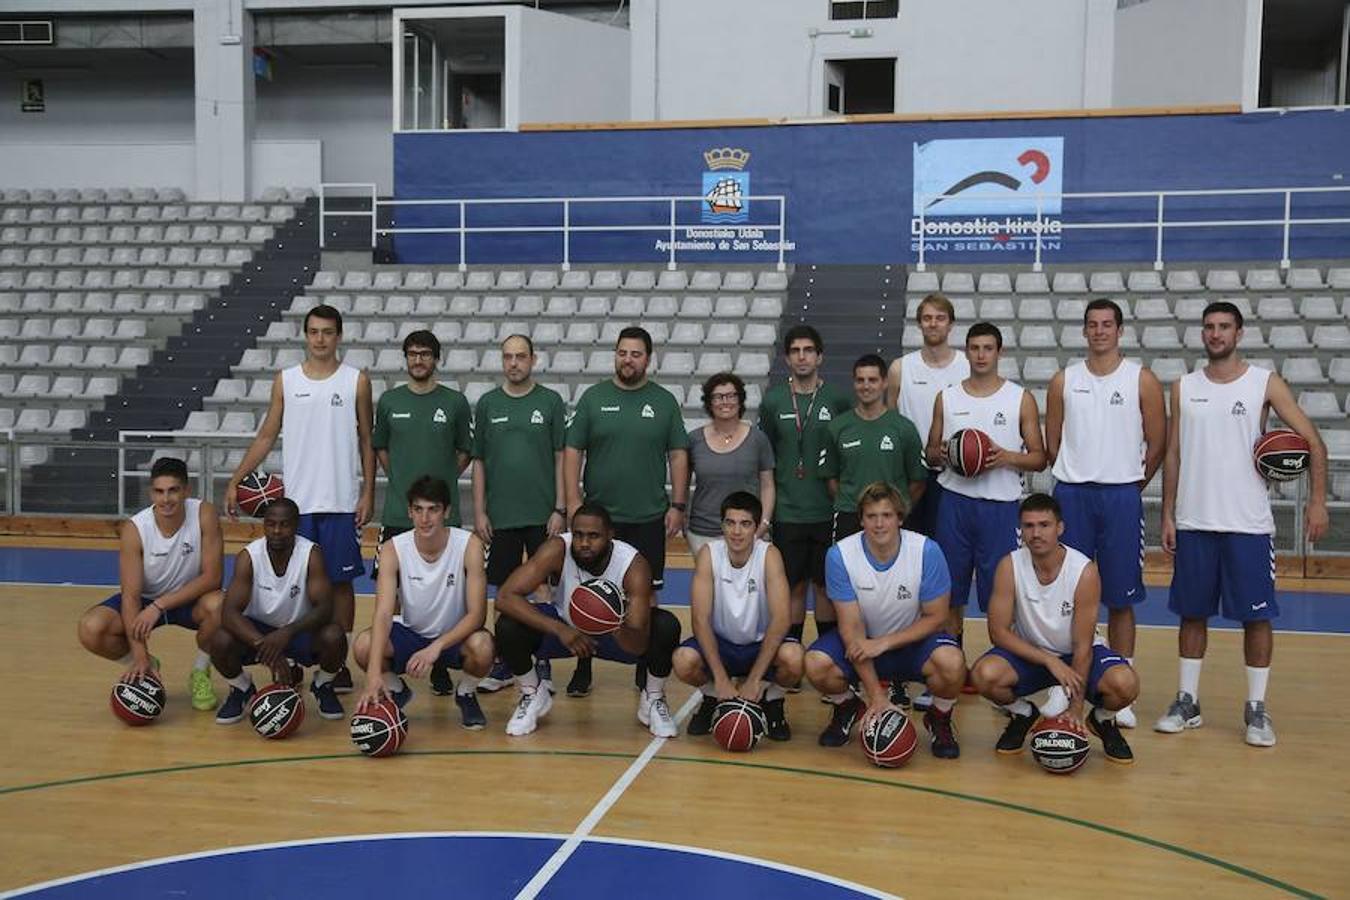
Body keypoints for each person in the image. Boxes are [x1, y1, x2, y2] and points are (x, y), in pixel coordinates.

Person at [1155, 301, 1329, 747]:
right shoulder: (1184, 386)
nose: (1216, 334)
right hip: (1195, 520)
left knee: (1256, 619)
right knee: (1191, 615)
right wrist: (1168, 512)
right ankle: (1187, 700)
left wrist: (1317, 503)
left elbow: (1313, 442)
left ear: (1239, 333)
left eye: (1224, 327)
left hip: (1248, 523)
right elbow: (1173, 454)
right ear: (1202, 333)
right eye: (1209, 327)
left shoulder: (1263, 383)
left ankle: (1256, 709)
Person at [224, 303, 374, 694]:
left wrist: (369, 490)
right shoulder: (286, 380)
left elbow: (366, 439)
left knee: (340, 586)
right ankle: (288, 657)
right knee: (299, 584)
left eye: (327, 332)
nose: (320, 339)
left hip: (340, 501)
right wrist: (236, 479)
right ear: (305, 335)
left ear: (339, 335)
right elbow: (265, 435)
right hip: (296, 505)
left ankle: (335, 663)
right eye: (314, 332)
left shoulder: (356, 380)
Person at [1044, 298, 1165, 727]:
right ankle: (1067, 686)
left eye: (1107, 324)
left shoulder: (1141, 380)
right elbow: (1053, 442)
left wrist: (1131, 484)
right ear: (1084, 331)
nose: (1099, 331)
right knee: (1069, 596)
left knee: (1120, 597)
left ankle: (1122, 690)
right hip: (1073, 495)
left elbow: (1158, 443)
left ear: (1120, 331)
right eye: (1092, 324)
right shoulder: (1064, 381)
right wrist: (1079, 473)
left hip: (1120, 497)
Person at [564, 326, 687, 697]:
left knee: (645, 597)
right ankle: (584, 665)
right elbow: (573, 451)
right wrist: (572, 501)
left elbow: (678, 454)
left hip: (649, 515)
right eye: (622, 353)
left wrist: (678, 504)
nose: (627, 360)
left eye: (635, 354)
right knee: (590, 593)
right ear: (615, 355)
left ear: (648, 359)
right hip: (600, 521)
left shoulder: (664, 402)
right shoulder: (593, 398)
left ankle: (643, 664)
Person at [970, 493, 1139, 764]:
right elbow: (998, 633)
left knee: (1125, 683)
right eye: (1029, 526)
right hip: (1033, 655)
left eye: (1044, 525)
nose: (1036, 533)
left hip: (1077, 655)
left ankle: (1103, 721)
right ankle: (1023, 714)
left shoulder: (1083, 570)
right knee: (983, 675)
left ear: (1060, 528)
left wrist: (1075, 708)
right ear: (1021, 530)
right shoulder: (1009, 566)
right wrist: (1049, 660)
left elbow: (1083, 645)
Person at [926, 321, 1046, 699]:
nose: (980, 355)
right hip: (955, 503)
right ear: (967, 352)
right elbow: (930, 452)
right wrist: (944, 454)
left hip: (1000, 507)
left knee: (1001, 593)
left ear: (999, 352)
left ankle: (1005, 671)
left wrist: (1003, 456)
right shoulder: (947, 397)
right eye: (974, 348)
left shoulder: (1019, 398)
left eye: (987, 348)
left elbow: (1040, 458)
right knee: (950, 593)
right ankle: (951, 670)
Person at [492, 503, 683, 738]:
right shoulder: (557, 549)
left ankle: (652, 698)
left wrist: (608, 623)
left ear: (610, 535)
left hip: (616, 634)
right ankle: (533, 692)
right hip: (566, 631)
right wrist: (560, 629)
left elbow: (638, 645)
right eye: (579, 534)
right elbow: (504, 597)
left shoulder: (633, 565)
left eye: (593, 536)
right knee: (508, 624)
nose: (584, 543)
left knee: (666, 625)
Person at [804, 482, 965, 758]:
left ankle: (939, 717)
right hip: (865, 646)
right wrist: (876, 696)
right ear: (861, 519)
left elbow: (937, 617)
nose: (879, 524)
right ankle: (847, 707)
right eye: (871, 516)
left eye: (887, 516)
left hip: (912, 643)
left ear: (900, 518)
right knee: (815, 664)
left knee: (953, 663)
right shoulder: (840, 555)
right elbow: (851, 629)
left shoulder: (926, 550)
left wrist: (884, 642)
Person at [77, 456, 223, 711]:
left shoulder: (204, 513)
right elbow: (131, 596)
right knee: (91, 628)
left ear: (186, 491)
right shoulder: (135, 529)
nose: (165, 499)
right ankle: (145, 667)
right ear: (151, 493)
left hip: (189, 598)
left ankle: (200, 672)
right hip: (144, 599)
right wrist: (140, 655)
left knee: (222, 606)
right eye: (159, 491)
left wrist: (159, 606)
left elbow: (213, 577)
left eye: (173, 490)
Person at [372, 328, 473, 695]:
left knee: (451, 594)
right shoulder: (388, 402)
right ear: (405, 357)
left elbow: (465, 452)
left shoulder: (456, 403)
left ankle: (442, 662)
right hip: (400, 514)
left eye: (425, 354)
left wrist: (440, 484)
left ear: (436, 358)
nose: (419, 360)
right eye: (412, 353)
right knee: (394, 598)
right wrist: (402, 481)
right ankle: (399, 665)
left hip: (443, 520)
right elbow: (381, 450)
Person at [353, 476, 494, 729]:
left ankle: (466, 693)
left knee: (483, 646)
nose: (425, 518)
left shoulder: (469, 545)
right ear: (409, 512)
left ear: (447, 512)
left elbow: (477, 615)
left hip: (454, 636)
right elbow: (384, 614)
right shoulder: (392, 549)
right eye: (418, 510)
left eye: (433, 510)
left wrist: (436, 647)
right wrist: (373, 674)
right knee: (364, 645)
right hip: (412, 633)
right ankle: (397, 690)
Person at [471, 333, 567, 694]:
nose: (514, 363)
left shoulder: (550, 402)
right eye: (508, 357)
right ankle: (507, 661)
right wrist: (480, 511)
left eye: (521, 356)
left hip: (543, 515)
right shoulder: (488, 404)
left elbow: (561, 457)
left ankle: (541, 658)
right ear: (502, 360)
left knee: (543, 589)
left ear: (533, 360)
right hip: (501, 515)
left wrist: (559, 507)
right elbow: (479, 461)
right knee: (504, 589)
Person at [674, 491, 802, 740]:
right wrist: (721, 679)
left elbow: (781, 619)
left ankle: (772, 701)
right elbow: (700, 620)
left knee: (795, 659)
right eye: (730, 523)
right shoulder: (709, 554)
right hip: (723, 645)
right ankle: (712, 697)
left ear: (756, 528)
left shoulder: (769, 555)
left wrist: (754, 680)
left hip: (759, 644)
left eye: (745, 524)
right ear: (722, 525)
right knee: (682, 660)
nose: (736, 531)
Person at [210, 498, 348, 724]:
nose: (276, 530)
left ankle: (323, 684)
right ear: (264, 525)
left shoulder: (311, 554)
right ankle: (242, 688)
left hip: (298, 629)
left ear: (296, 526)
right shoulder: (249, 557)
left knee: (335, 636)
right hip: (259, 632)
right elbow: (229, 613)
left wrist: (287, 633)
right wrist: (267, 649)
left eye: (284, 525)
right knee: (220, 640)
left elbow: (325, 608)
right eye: (271, 524)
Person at [757, 325, 853, 650]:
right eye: (795, 351)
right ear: (787, 358)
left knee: (825, 586)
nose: (802, 357)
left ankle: (827, 655)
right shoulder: (773, 401)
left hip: (827, 509)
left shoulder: (838, 398)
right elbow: (765, 455)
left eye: (808, 350)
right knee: (794, 586)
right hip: (787, 510)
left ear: (819, 356)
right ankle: (793, 656)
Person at [885, 293, 969, 537]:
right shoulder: (901, 368)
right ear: (919, 323)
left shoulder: (967, 366)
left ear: (951, 324)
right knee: (912, 546)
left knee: (950, 548)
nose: (933, 323)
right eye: (927, 318)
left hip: (957, 473)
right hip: (913, 475)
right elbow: (891, 421)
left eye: (940, 318)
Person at [820, 353, 928, 543]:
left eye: (872, 380)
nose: (866, 386)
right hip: (849, 515)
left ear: (885, 382)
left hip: (889, 517)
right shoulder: (837, 427)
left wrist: (896, 508)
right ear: (854, 383)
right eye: (860, 380)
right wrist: (852, 503)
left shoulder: (903, 427)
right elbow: (830, 478)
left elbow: (918, 480)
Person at [684, 372, 775, 558]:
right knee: (708, 587)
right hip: (703, 533)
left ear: (740, 400)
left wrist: (763, 524)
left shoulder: (758, 439)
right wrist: (684, 522)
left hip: (749, 532)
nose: (725, 401)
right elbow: (682, 486)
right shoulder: (693, 440)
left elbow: (768, 486)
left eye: (731, 395)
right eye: (718, 397)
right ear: (709, 402)